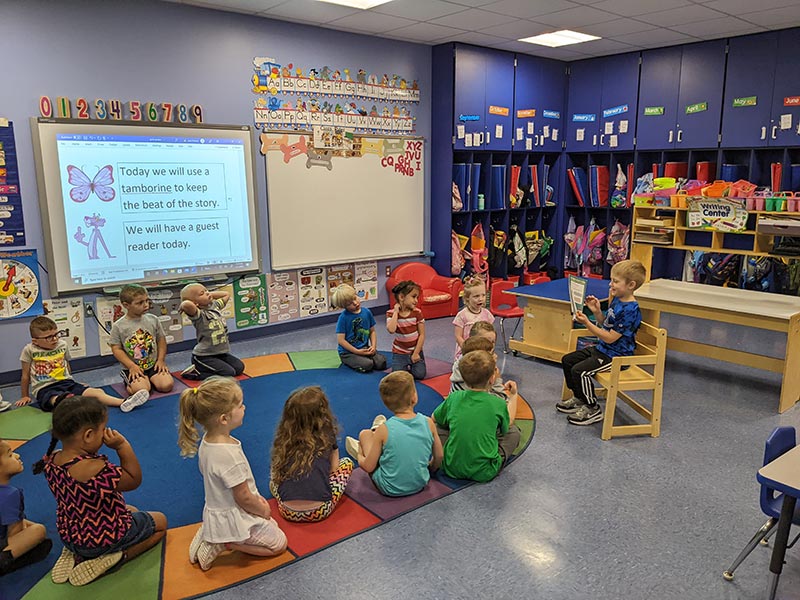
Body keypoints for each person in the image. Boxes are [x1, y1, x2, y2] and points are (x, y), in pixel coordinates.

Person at [34, 396, 167, 586]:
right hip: (102, 540)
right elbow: (133, 479)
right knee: (161, 522)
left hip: (69, 534)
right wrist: (122, 446)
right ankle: (119, 556)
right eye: (102, 430)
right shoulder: (94, 468)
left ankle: (75, 551)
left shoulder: (51, 460)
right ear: (88, 436)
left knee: (131, 509)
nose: (105, 434)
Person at [177, 377, 287, 570]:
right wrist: (262, 510)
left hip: (218, 507)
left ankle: (210, 531)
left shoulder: (208, 442)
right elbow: (243, 497)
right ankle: (225, 542)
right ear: (224, 418)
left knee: (273, 525)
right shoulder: (228, 454)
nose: (244, 408)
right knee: (279, 543)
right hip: (237, 515)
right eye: (240, 405)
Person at [557, 259, 646, 426]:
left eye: (615, 281)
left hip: (617, 357)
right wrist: (597, 312)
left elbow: (610, 337)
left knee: (580, 371)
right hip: (603, 350)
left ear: (631, 285)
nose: (611, 284)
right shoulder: (618, 300)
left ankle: (592, 408)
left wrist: (587, 324)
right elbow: (606, 324)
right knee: (567, 360)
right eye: (611, 280)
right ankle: (579, 397)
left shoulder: (631, 310)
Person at [16, 316, 149, 412]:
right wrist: (25, 395)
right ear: (35, 341)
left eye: (56, 334)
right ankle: (66, 400)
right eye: (49, 337)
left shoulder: (62, 345)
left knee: (96, 392)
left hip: (66, 382)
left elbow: (66, 365)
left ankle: (124, 402)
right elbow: (25, 375)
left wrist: (74, 382)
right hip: (44, 387)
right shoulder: (29, 350)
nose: (55, 339)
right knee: (51, 398)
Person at [345, 371, 442, 496]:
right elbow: (439, 456)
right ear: (414, 397)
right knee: (388, 442)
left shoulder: (385, 430)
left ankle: (363, 444)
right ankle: (376, 436)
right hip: (420, 483)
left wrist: (359, 454)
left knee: (365, 434)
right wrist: (430, 469)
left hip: (389, 488)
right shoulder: (428, 422)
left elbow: (369, 467)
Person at [433, 350, 520, 483]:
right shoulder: (498, 403)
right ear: (492, 378)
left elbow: (434, 418)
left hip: (451, 467)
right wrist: (513, 396)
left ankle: (454, 451)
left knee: (438, 426)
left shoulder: (454, 397)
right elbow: (508, 424)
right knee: (514, 432)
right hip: (485, 472)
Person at [269, 387, 353, 522]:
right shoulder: (326, 435)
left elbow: (276, 466)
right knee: (347, 463)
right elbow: (333, 468)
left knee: (274, 478)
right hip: (319, 511)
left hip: (286, 511)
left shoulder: (284, 439)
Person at [109, 284, 174, 396]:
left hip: (153, 365)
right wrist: (131, 366)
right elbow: (116, 349)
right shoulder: (118, 326)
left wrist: (161, 360)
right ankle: (132, 386)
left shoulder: (153, 319)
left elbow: (161, 340)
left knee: (166, 385)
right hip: (133, 367)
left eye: (147, 301)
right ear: (126, 305)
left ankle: (150, 380)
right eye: (140, 303)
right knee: (142, 390)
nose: (146, 305)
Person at [0, 439, 52, 577]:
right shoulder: (10, 494)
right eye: (10, 455)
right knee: (38, 531)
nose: (17, 455)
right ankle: (4, 561)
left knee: (28, 523)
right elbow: (15, 533)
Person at [178, 284, 244, 380]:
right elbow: (186, 305)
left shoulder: (215, 306)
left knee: (239, 368)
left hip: (219, 353)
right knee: (228, 373)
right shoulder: (199, 314)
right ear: (195, 303)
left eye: (206, 290)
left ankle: (213, 367)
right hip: (204, 356)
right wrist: (184, 303)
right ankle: (195, 373)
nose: (207, 293)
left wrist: (207, 294)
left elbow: (226, 294)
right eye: (202, 294)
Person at [332, 284, 386, 373]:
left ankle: (364, 359)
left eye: (355, 298)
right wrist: (357, 351)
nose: (355, 303)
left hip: (364, 347)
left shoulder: (367, 312)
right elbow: (341, 340)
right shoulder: (343, 318)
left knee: (381, 363)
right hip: (348, 352)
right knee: (368, 365)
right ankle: (347, 361)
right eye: (350, 303)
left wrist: (373, 346)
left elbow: (372, 331)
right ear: (344, 306)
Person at [449, 322, 509, 399]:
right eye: (485, 341)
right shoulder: (471, 367)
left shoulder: (469, 359)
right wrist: (496, 380)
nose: (490, 345)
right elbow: (499, 401)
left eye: (493, 342)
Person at [386, 280, 426, 380]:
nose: (416, 300)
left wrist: (416, 352)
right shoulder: (391, 313)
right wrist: (396, 312)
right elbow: (391, 330)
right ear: (401, 297)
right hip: (399, 352)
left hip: (415, 351)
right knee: (397, 377)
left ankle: (412, 365)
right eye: (413, 297)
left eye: (417, 297)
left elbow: (422, 335)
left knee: (420, 375)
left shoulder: (417, 313)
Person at [453, 276, 494, 359]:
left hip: (483, 350)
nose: (481, 299)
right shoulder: (462, 315)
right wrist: (467, 349)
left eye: (483, 295)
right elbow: (458, 336)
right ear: (467, 298)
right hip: (466, 352)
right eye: (476, 296)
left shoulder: (487, 314)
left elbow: (490, 333)